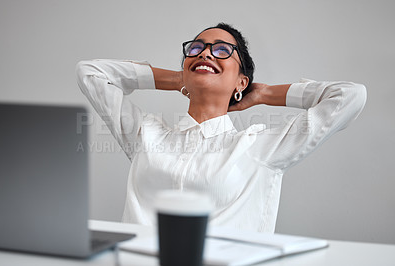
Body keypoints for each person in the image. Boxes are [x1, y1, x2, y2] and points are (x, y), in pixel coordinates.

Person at [76, 23, 367, 233]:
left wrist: (265, 93)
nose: (206, 53)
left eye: (223, 50)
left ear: (242, 82)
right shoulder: (146, 134)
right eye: (196, 48)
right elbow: (91, 74)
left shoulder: (260, 147)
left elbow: (350, 97)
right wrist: (180, 78)